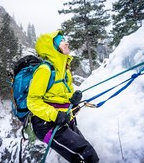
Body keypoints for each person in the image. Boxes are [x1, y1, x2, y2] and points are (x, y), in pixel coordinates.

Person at [27, 30, 99, 163]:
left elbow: (58, 93)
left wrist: (72, 98)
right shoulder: (45, 70)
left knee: (87, 153)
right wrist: (54, 115)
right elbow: (32, 101)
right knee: (87, 155)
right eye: (61, 41)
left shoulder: (64, 69)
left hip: (64, 118)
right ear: (52, 47)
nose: (67, 43)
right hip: (46, 124)